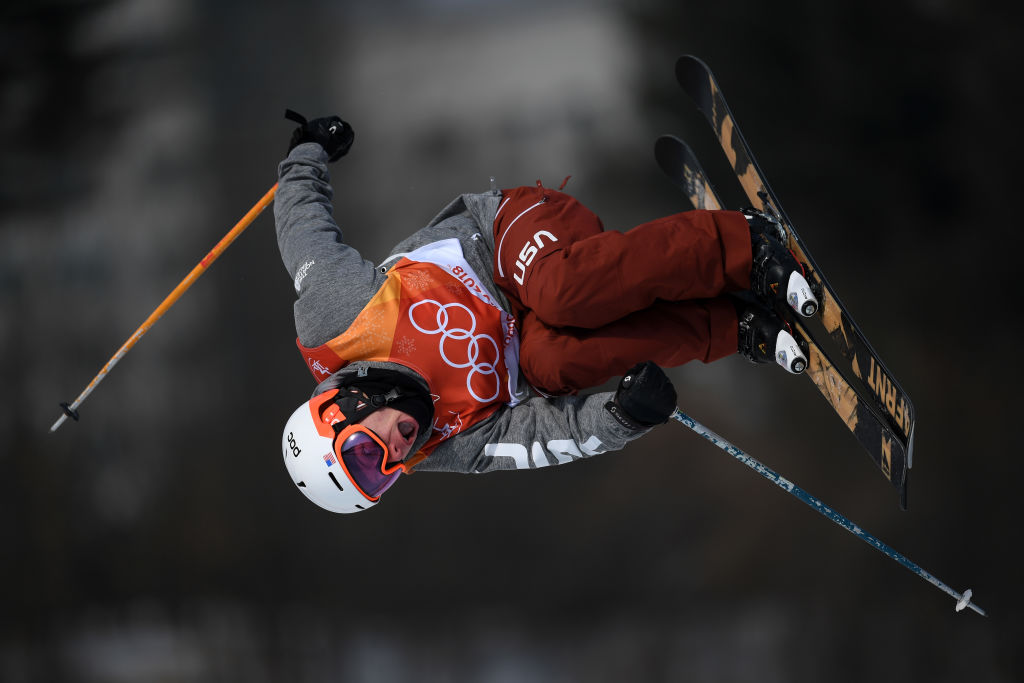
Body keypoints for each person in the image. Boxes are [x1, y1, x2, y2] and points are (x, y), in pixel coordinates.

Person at [276, 112, 809, 513]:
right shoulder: (443, 444)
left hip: (505, 235)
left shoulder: (341, 319)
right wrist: (622, 418)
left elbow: (303, 230)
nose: (394, 456)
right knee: (550, 365)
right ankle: (732, 326)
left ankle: (746, 246)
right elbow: (541, 441)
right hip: (531, 329)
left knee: (560, 290)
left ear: (343, 407)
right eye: (382, 478)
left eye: (366, 454)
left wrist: (307, 152)